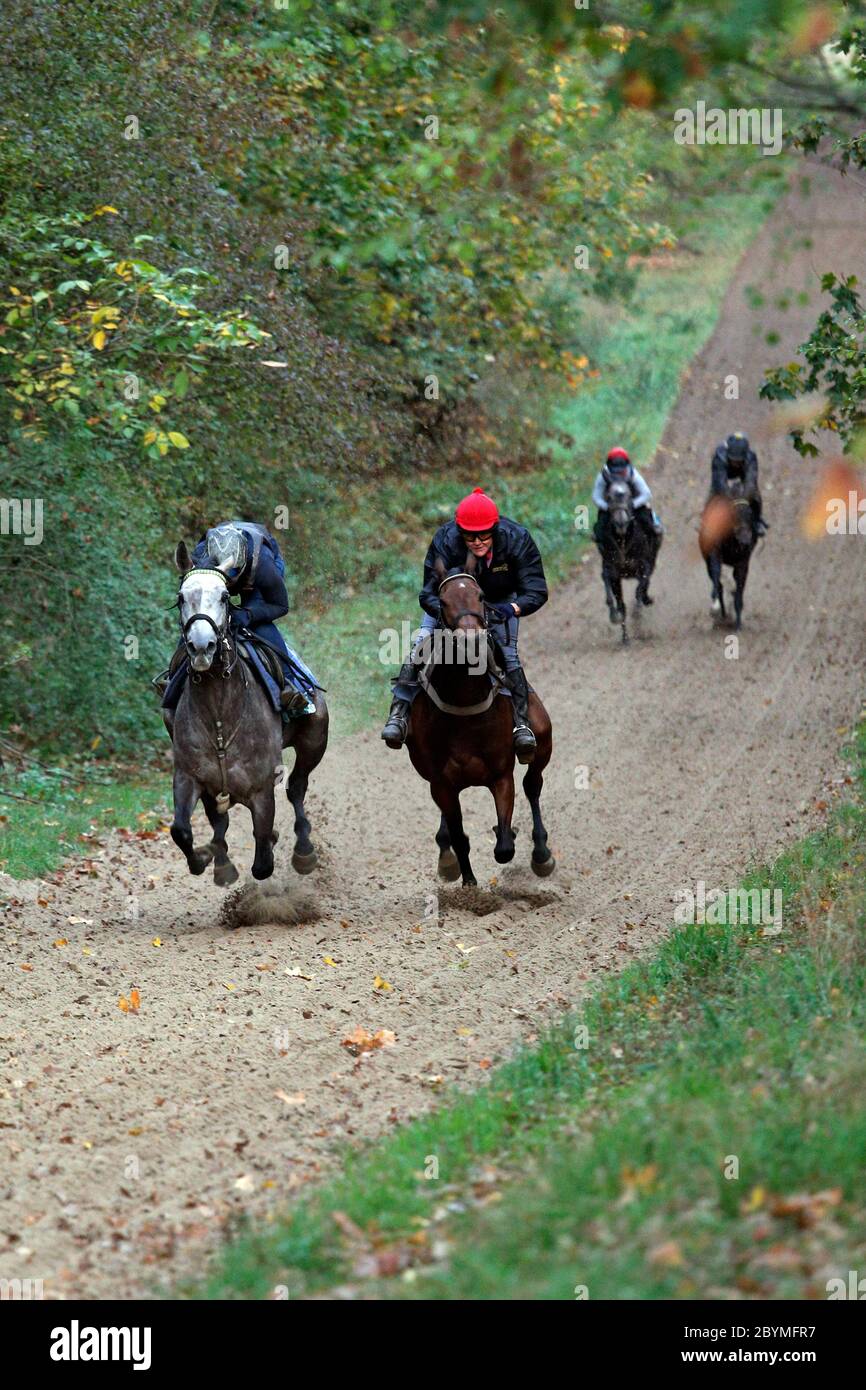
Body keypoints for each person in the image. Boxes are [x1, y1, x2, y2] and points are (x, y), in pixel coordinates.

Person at [381, 487, 548, 758]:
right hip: (452, 605)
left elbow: (537, 590)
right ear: (460, 530)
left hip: (498, 603)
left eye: (484, 534)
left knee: (507, 654)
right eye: (470, 535)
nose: (478, 541)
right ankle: (398, 715)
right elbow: (427, 592)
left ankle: (521, 725)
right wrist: (450, 616)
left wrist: (512, 608)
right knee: (419, 644)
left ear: (495, 528)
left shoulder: (517, 539)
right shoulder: (445, 540)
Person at [157, 520, 314, 720]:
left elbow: (280, 606)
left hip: (256, 580)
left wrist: (249, 614)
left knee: (261, 627)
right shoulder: (200, 559)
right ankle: (174, 681)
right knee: (198, 625)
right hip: (213, 581)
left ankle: (291, 687)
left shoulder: (262, 565)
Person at [592, 447, 662, 596]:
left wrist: (631, 506)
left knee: (647, 519)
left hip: (632, 505)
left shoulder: (633, 474)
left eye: (620, 470)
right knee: (600, 526)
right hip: (611, 507)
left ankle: (653, 534)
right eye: (615, 470)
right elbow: (596, 497)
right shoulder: (603, 476)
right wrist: (608, 507)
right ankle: (605, 551)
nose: (618, 473)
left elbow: (646, 493)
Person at [710, 431, 768, 535]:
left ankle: (757, 520)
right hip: (725, 472)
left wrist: (742, 501)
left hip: (743, 473)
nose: (735, 464)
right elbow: (720, 483)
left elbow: (751, 482)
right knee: (715, 493)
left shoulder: (751, 458)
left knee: (755, 495)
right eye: (733, 460)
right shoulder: (719, 457)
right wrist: (730, 501)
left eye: (738, 461)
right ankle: (704, 520)